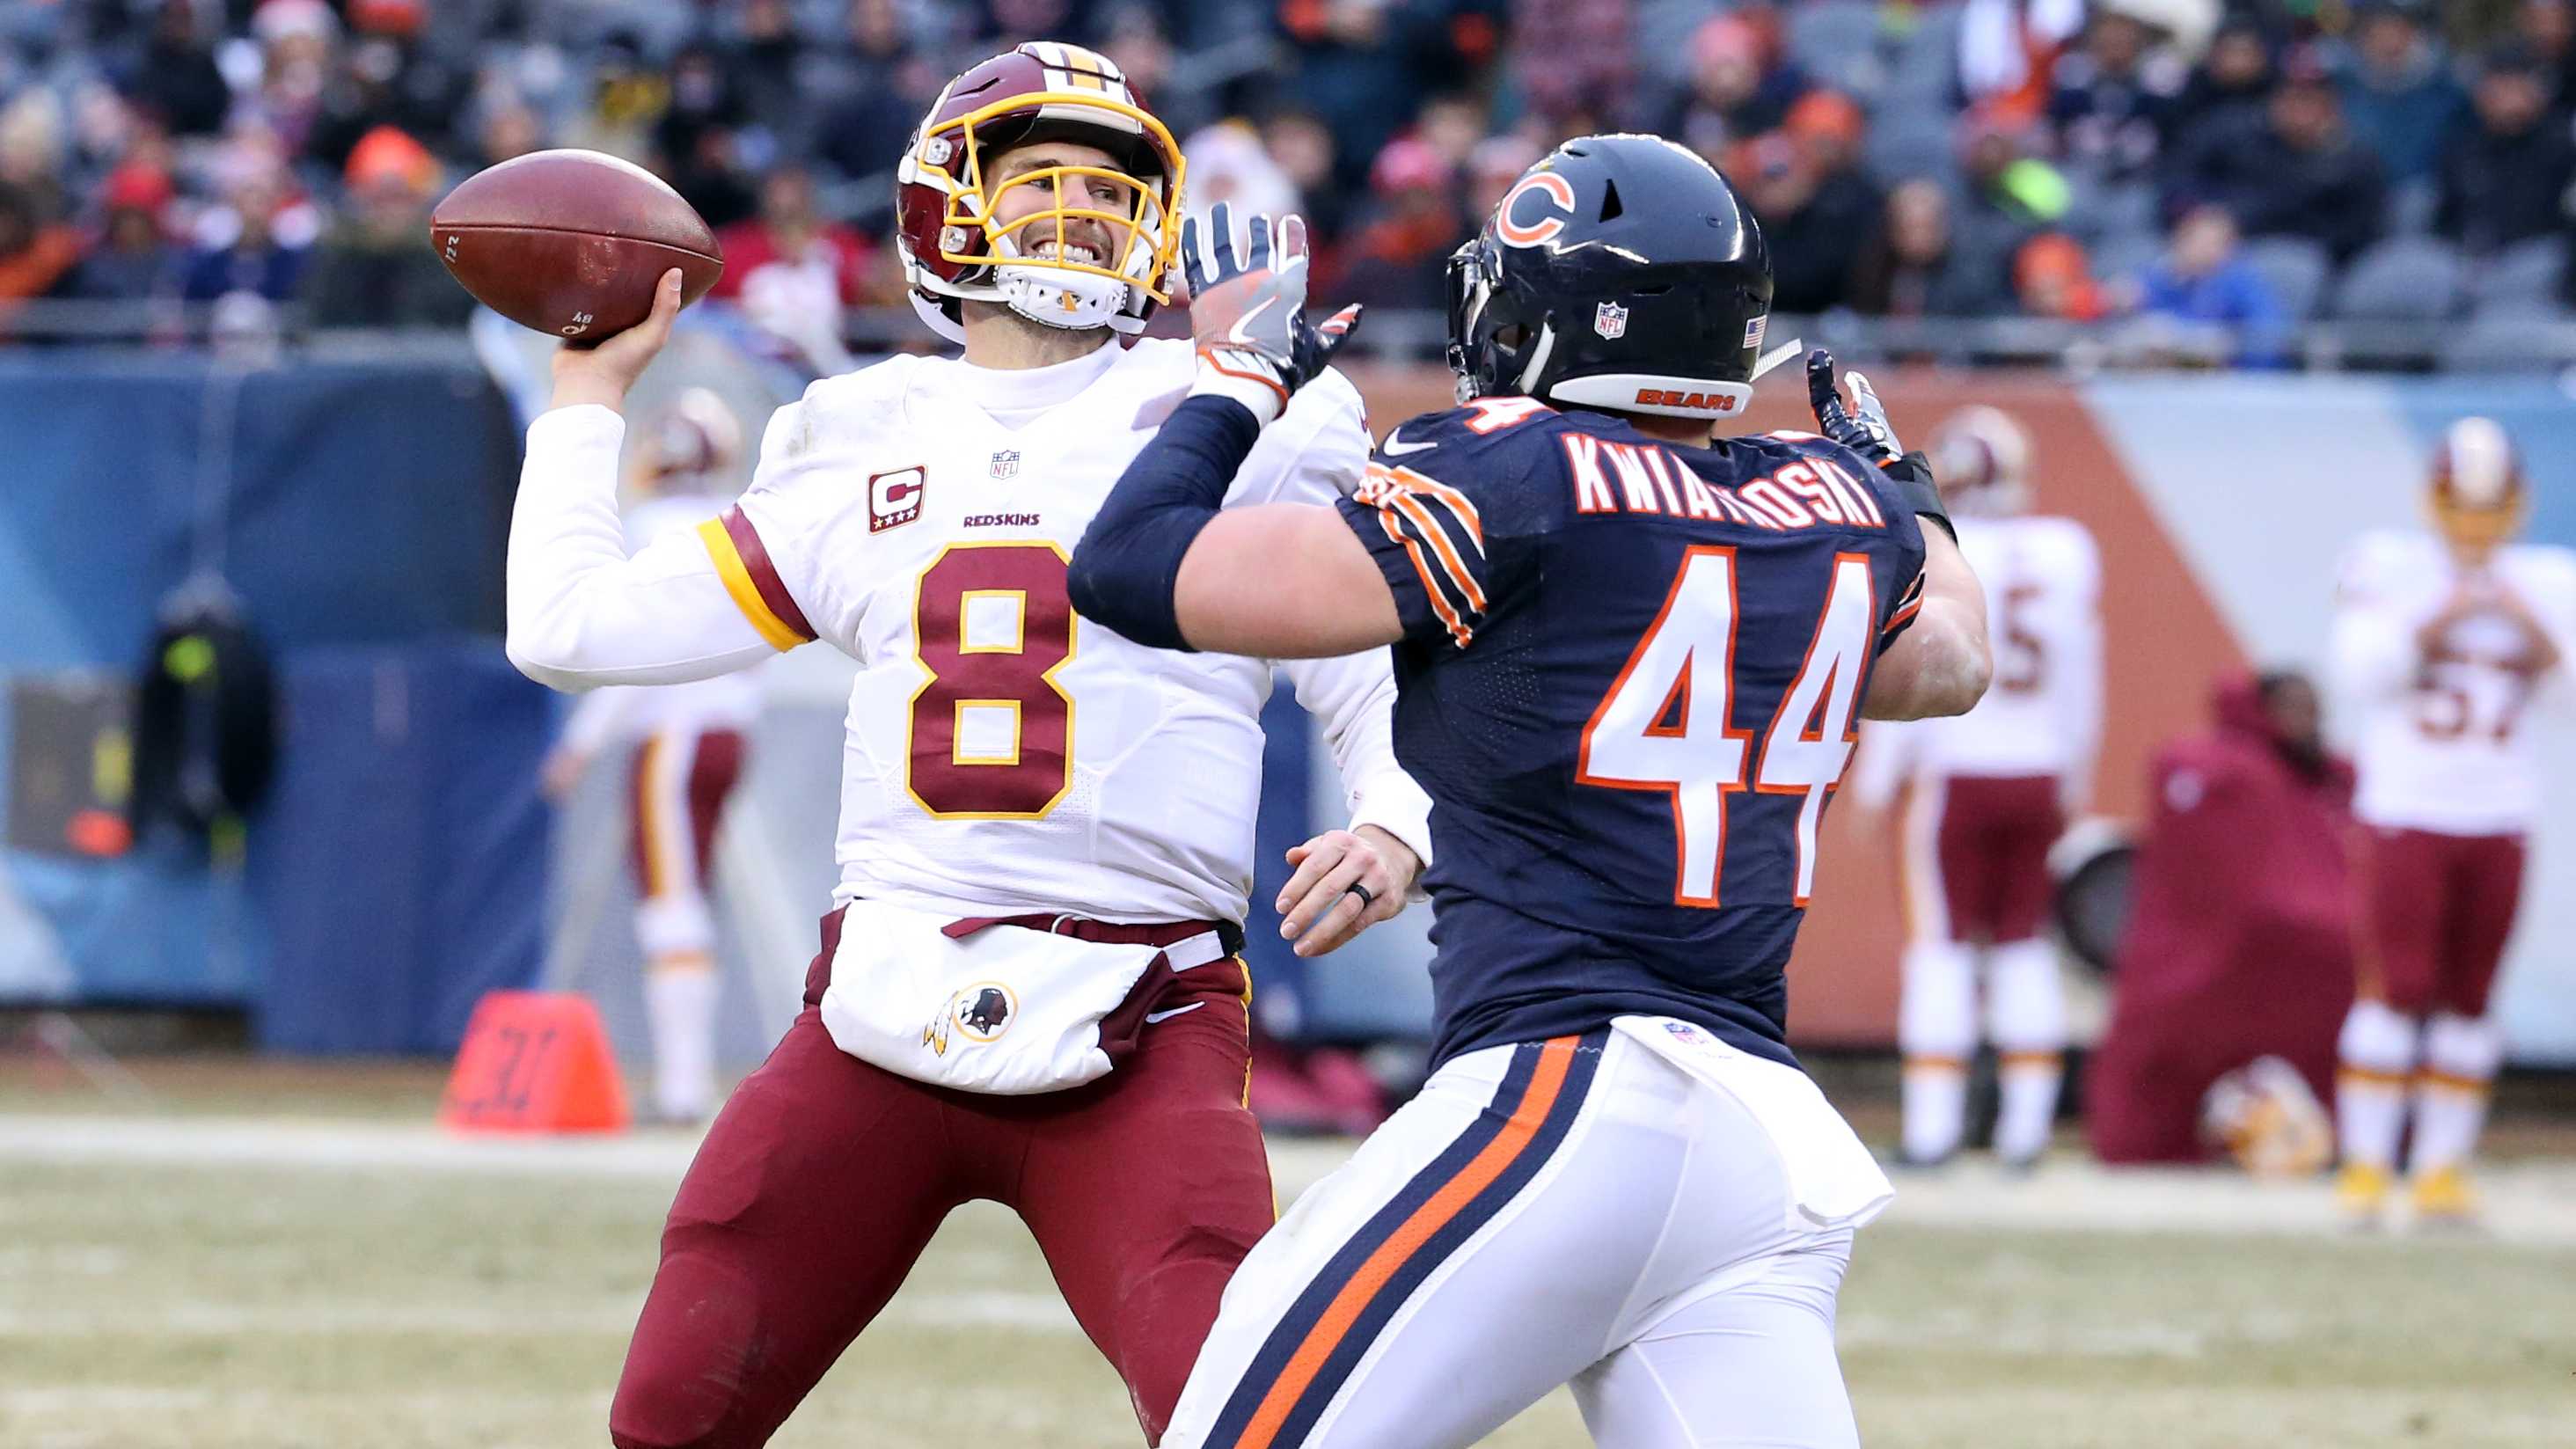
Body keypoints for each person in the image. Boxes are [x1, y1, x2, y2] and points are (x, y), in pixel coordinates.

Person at [505, 44, 1433, 1449]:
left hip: (1150, 1004)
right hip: (880, 997)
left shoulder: (1244, 408)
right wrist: (586, 394)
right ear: (948, 204)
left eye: (1110, 189)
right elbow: (568, 625)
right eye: (1040, 180)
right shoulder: (861, 432)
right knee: (675, 1403)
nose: (1078, 215)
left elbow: (1365, 654)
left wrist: (1394, 815)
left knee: (1243, 1416)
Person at [1069, 134, 1994, 1449]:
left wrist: (1234, 378)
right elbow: (1949, 661)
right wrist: (1918, 497)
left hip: (1567, 1098)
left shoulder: (1518, 473)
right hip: (1752, 1137)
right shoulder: (1837, 509)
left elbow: (1131, 567)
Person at [2327, 418, 2576, 1226]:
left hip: (2500, 809)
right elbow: (2363, 673)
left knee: (2471, 998)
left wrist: (2518, 617)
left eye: (2488, 505)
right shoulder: (2391, 567)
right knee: (2394, 990)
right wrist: (2442, 612)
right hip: (2409, 806)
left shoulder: (2546, 581)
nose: (2474, 523)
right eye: (2462, 505)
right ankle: (2366, 1165)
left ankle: (2440, 1170)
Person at [1847, 405, 2101, 1168]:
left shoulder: (1944, 549)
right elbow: (2083, 679)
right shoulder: (2067, 550)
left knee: (1942, 952)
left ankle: (1933, 1132)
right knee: (2025, 945)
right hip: (2039, 771)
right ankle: (2024, 1135)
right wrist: (2073, 775)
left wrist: (1874, 782)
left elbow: (1920, 670)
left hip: (1956, 774)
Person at [538, 390, 760, 1124]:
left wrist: (580, 743)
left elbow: (639, 655)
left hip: (676, 731)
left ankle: (684, 1087)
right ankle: (685, 1081)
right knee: (688, 901)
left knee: (671, 908)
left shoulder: (651, 529)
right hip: (731, 731)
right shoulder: (738, 524)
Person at [2086, 670, 2358, 1166]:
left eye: (2314, 708)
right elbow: (2214, 875)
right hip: (2205, 948)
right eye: (2295, 707)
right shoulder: (2215, 767)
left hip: (2292, 953)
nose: (2308, 722)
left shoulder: (2330, 777)